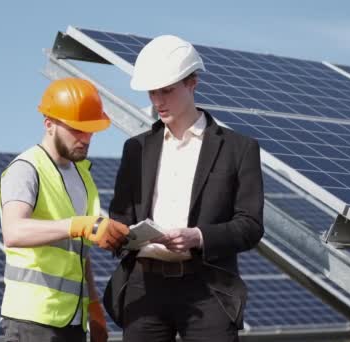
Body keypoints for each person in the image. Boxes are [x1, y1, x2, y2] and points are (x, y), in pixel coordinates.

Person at [109, 35, 264, 342]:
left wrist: (199, 237)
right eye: (153, 92)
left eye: (167, 90)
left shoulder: (239, 149)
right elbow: (121, 215)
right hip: (144, 288)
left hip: (208, 289)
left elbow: (250, 225)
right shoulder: (135, 149)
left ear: (192, 83)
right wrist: (117, 234)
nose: (158, 101)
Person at [0, 77, 130, 342]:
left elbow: (79, 250)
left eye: (91, 130)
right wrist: (78, 224)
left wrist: (92, 305)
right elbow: (14, 231)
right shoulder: (26, 169)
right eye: (77, 130)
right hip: (33, 318)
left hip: (72, 318)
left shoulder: (82, 176)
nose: (86, 138)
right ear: (50, 125)